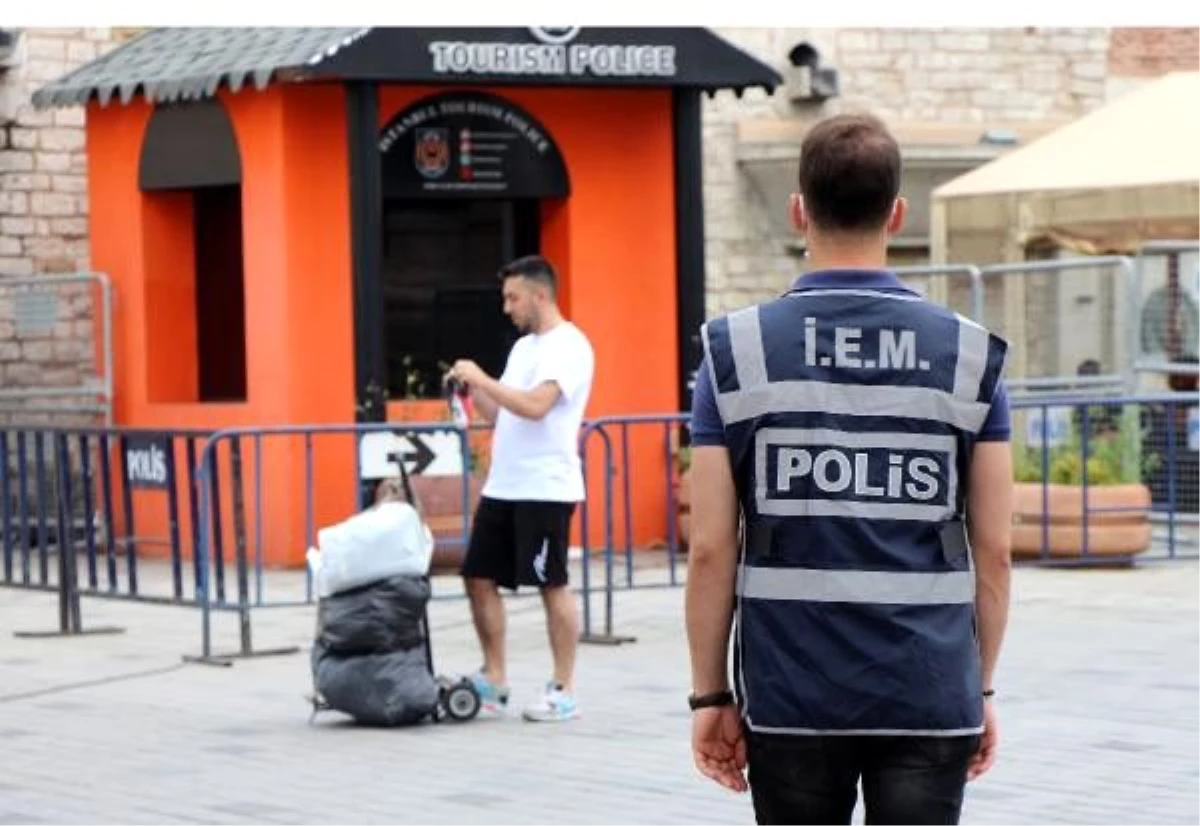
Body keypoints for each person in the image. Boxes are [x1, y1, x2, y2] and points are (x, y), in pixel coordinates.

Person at [683, 112, 1014, 826]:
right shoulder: (969, 356)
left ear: (799, 208)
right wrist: (978, 691)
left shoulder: (735, 354)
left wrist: (712, 697)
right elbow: (995, 551)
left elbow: (710, 548)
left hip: (791, 690)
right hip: (928, 687)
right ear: (898, 212)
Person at [444, 254, 595, 723]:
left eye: (513, 297)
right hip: (504, 485)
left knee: (551, 583)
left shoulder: (569, 346)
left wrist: (483, 376)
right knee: (477, 576)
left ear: (540, 294)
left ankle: (563, 687)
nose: (506, 307)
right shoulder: (523, 349)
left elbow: (535, 406)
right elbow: (503, 413)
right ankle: (495, 678)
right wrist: (472, 391)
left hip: (545, 486)